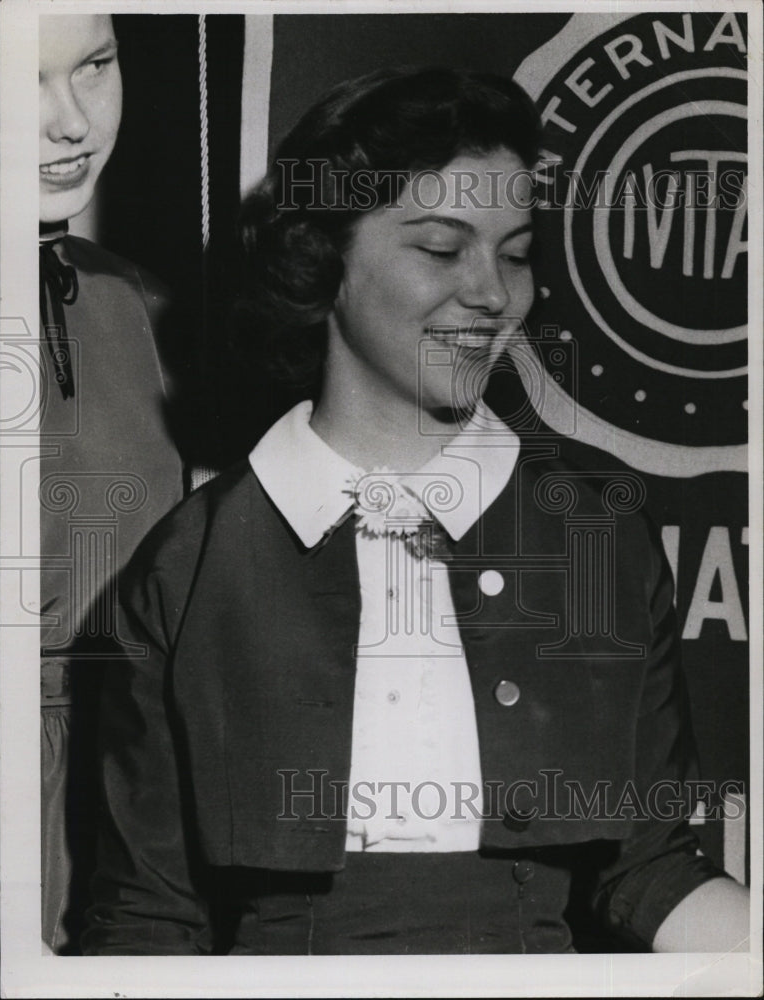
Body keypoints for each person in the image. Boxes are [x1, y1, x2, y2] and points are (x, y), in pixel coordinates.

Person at [82, 67, 749, 955]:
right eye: (440, 248)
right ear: (321, 260)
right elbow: (144, 921)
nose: (492, 294)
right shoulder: (187, 569)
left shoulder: (596, 540)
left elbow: (651, 870)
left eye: (514, 254)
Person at [39, 13, 185, 952]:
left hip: (135, 835)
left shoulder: (138, 304)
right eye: (21, 79)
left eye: (95, 66)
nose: (70, 121)